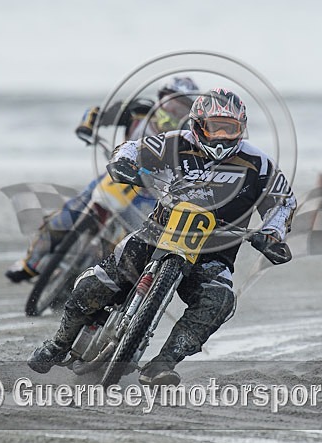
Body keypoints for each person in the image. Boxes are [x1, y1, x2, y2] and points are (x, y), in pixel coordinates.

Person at [27, 88, 298, 386]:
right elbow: (130, 148)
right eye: (214, 127)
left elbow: (282, 200)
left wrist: (272, 233)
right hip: (155, 235)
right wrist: (124, 163)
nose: (221, 136)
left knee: (219, 300)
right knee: (98, 282)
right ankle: (58, 343)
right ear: (197, 125)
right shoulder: (173, 143)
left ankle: (162, 363)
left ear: (241, 129)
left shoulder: (260, 164)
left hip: (215, 253)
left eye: (229, 128)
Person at [5, 77, 200, 283]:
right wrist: (87, 125)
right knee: (68, 215)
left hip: (149, 194)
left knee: (129, 244)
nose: (172, 113)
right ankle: (30, 262)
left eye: (180, 110)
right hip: (116, 178)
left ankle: (100, 279)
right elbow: (98, 113)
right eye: (170, 105)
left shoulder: (186, 138)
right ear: (160, 100)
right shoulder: (138, 111)